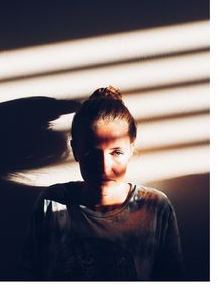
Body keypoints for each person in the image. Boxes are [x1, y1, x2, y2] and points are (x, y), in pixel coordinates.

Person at [20, 86, 183, 281]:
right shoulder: (52, 203)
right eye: (90, 153)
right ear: (75, 150)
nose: (104, 168)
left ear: (132, 147)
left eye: (117, 152)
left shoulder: (155, 208)